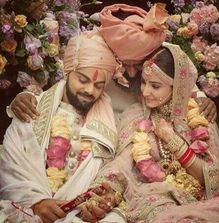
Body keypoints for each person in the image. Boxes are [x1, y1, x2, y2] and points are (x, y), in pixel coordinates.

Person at [76, 42, 219, 222]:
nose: (145, 91)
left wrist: (171, 139)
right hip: (153, 199)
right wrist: (104, 188)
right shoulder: (137, 115)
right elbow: (122, 162)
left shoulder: (198, 115)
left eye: (155, 86)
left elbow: (209, 177)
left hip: (196, 200)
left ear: (177, 87)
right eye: (143, 83)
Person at [10, 3, 217, 123]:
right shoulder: (95, 50)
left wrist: (200, 97)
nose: (134, 74)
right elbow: (67, 85)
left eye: (140, 65)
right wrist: (27, 96)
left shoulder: (154, 49)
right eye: (124, 64)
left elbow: (180, 80)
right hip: (98, 141)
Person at [0, 30, 126, 223]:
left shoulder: (109, 127)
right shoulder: (32, 108)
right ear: (68, 72)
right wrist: (37, 203)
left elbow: (112, 174)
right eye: (82, 80)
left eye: (99, 85)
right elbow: (10, 167)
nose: (89, 91)